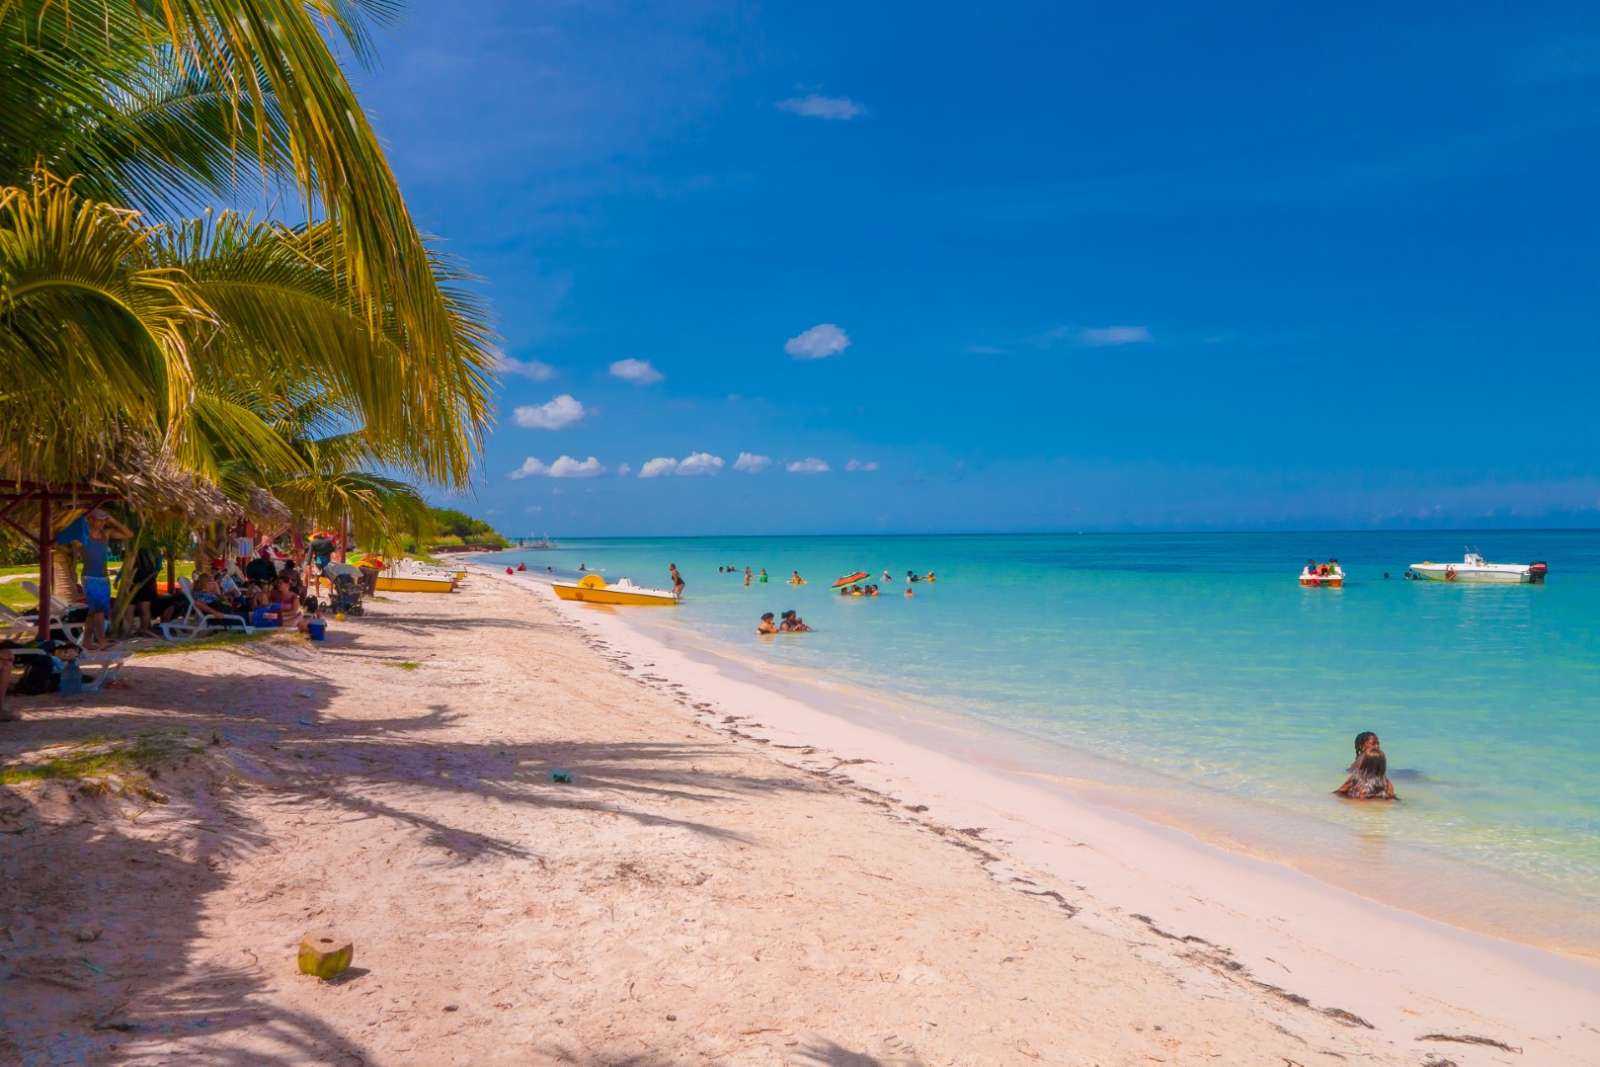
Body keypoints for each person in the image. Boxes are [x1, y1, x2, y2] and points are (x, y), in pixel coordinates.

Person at [56, 507, 132, 651]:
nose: (102, 523)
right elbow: (62, 537)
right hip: (90, 578)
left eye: (104, 520)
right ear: (90, 519)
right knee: (98, 611)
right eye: (99, 520)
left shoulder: (106, 534)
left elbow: (129, 534)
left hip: (103, 578)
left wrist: (113, 521)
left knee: (92, 613)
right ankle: (102, 641)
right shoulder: (82, 536)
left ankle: (86, 641)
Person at [1334, 732, 1397, 800]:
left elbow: (1339, 792)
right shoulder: (1386, 782)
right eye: (1373, 744)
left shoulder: (1356, 777)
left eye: (1378, 743)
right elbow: (1391, 797)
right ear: (1362, 746)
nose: (1377, 746)